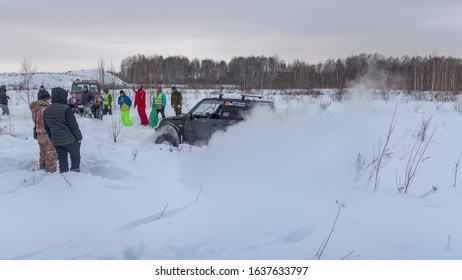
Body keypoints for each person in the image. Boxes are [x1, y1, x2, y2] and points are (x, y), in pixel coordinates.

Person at [44, 87, 83, 173]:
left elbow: (47, 128)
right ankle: (75, 175)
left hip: (57, 141)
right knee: (75, 158)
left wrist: (53, 138)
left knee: (62, 161)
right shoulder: (66, 109)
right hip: (70, 141)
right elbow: (74, 126)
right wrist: (79, 138)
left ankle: (64, 177)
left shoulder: (46, 111)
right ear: (62, 97)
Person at [30, 91, 58, 172]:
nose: (51, 100)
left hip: (39, 133)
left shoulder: (36, 108)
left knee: (42, 152)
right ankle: (50, 170)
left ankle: (42, 167)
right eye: (50, 99)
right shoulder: (45, 109)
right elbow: (47, 121)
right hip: (46, 133)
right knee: (50, 152)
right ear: (46, 99)